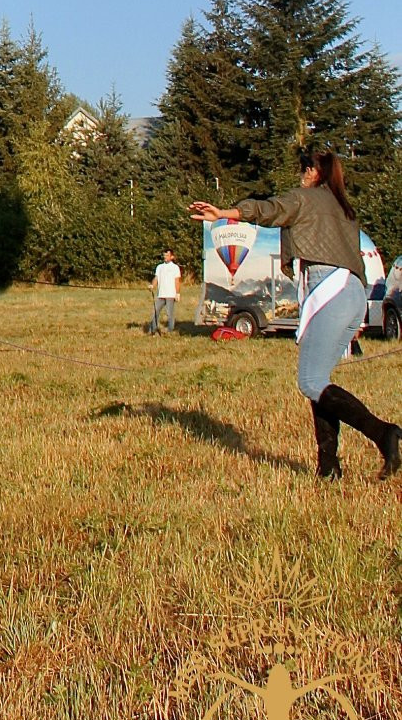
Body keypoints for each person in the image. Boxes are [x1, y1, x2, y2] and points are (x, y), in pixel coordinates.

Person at [191, 146, 402, 480]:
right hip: (352, 294)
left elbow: (270, 209)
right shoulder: (343, 208)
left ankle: (383, 434)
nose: (300, 177)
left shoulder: (306, 198)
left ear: (313, 173)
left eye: (303, 171)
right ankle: (328, 466)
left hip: (327, 290)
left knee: (310, 381)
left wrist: (224, 213)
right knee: (320, 383)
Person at [150, 249, 181, 336]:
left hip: (170, 294)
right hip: (161, 294)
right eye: (164, 255)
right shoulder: (160, 267)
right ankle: (153, 330)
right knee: (155, 312)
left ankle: (170, 330)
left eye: (167, 255)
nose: (165, 257)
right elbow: (156, 278)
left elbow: (177, 281)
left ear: (172, 257)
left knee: (169, 313)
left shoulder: (175, 267)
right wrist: (152, 285)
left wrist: (177, 293)